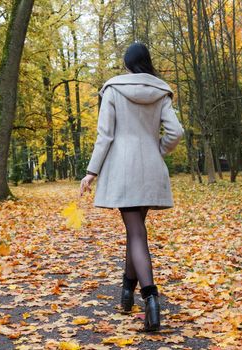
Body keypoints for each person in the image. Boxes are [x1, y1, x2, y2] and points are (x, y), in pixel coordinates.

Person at [79, 42, 184, 332]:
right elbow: (175, 132)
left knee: (136, 232)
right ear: (147, 62)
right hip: (150, 168)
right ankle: (126, 294)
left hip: (124, 170)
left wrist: (91, 172)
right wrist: (157, 149)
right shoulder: (161, 91)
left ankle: (150, 299)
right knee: (135, 231)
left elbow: (105, 136)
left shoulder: (113, 90)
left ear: (127, 65)